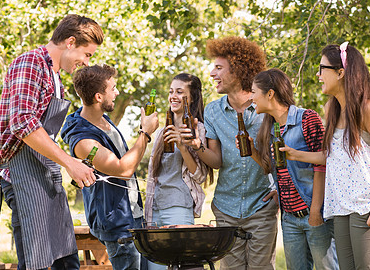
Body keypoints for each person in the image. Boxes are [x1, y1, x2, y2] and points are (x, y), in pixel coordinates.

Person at [0, 14, 103, 270]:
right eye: (87, 54)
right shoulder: (31, 64)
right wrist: (69, 162)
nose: (85, 62)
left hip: (46, 173)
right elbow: (23, 123)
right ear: (70, 42)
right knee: (34, 263)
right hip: (21, 174)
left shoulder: (56, 77)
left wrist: (72, 163)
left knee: (66, 260)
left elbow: (44, 133)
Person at [281, 42, 370, 269]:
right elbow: (331, 156)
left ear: (341, 72)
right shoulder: (331, 110)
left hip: (366, 207)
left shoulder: (368, 109)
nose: (318, 74)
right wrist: (295, 155)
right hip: (339, 207)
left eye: (322, 68)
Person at [182, 36, 279, 270]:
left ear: (238, 69)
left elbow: (280, 157)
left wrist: (278, 188)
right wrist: (197, 146)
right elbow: (216, 161)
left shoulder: (266, 108)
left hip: (261, 206)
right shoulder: (214, 111)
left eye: (219, 68)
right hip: (226, 208)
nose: (212, 73)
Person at [61, 64, 159, 270]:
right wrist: (146, 133)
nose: (117, 92)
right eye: (113, 88)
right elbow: (123, 170)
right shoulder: (84, 141)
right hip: (118, 226)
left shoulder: (102, 120)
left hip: (133, 218)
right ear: (98, 97)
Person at [246, 68, 338, 269]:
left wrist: (315, 211)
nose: (251, 97)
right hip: (289, 218)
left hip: (313, 213)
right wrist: (252, 151)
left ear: (270, 93)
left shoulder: (307, 119)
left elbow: (323, 164)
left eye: (254, 92)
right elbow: (275, 169)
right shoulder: (269, 128)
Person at [145, 73, 212, 270]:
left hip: (178, 209)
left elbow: (200, 175)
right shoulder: (161, 130)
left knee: (183, 266)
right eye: (171, 91)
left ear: (191, 98)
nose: (173, 96)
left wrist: (183, 147)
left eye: (180, 92)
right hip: (154, 208)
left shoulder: (198, 129)